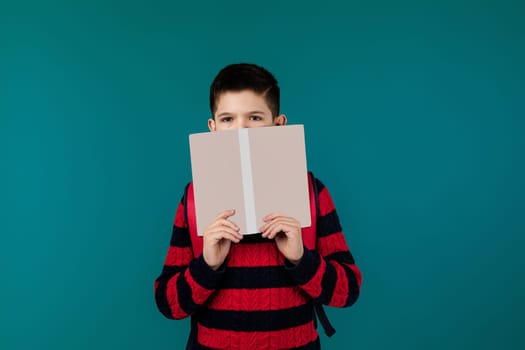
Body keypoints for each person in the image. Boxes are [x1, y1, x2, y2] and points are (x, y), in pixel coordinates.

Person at [154, 63, 362, 349]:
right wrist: (207, 265)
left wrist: (301, 259)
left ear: (278, 125)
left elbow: (348, 291)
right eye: (228, 119)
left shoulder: (312, 192)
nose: (241, 130)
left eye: (254, 117)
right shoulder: (195, 198)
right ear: (212, 128)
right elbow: (168, 304)